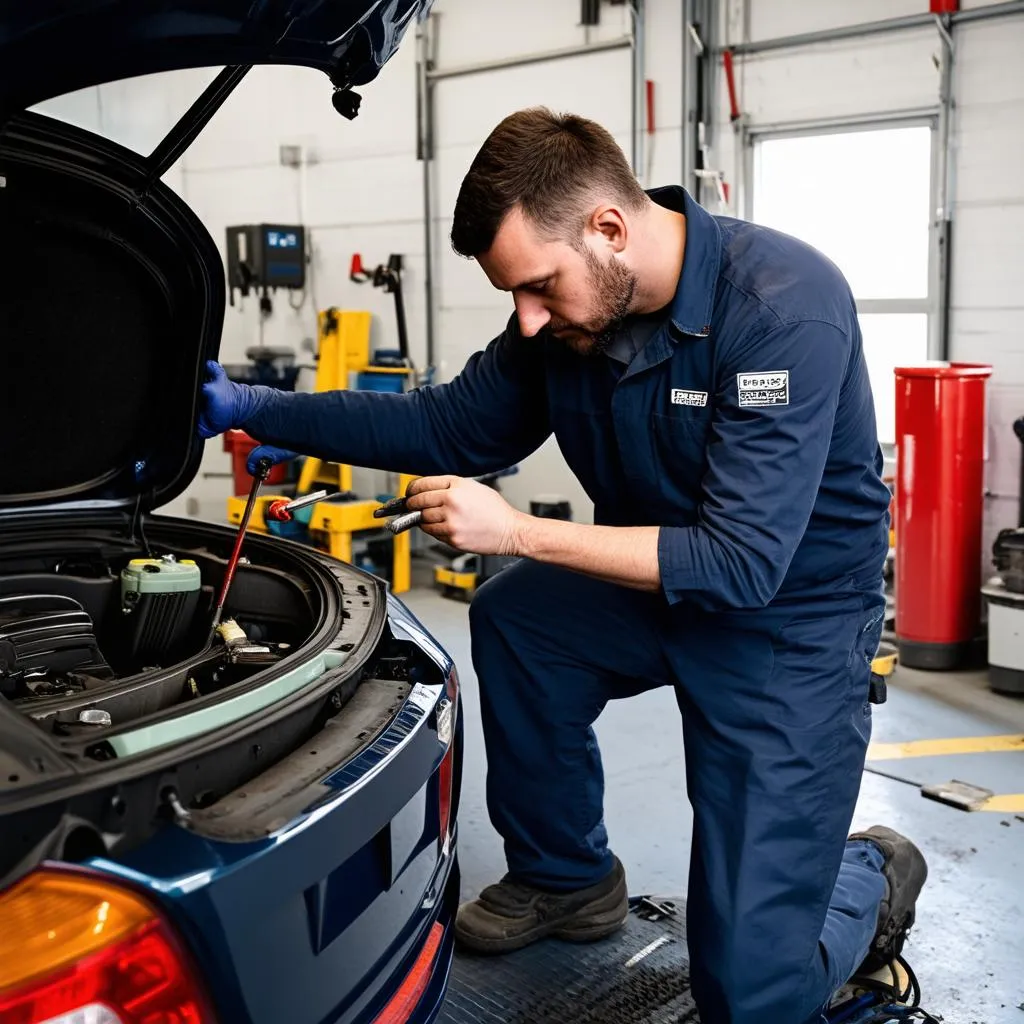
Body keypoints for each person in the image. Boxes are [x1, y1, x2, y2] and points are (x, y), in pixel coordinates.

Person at [198, 108, 928, 1024]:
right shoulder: (569, 323)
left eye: (539, 285)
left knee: (748, 996)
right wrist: (257, 406)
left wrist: (516, 531)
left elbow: (741, 563)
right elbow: (445, 425)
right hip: (651, 581)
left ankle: (869, 871)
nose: (527, 317)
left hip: (789, 620)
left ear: (609, 229)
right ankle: (568, 877)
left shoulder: (783, 307)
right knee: (519, 620)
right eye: (514, 295)